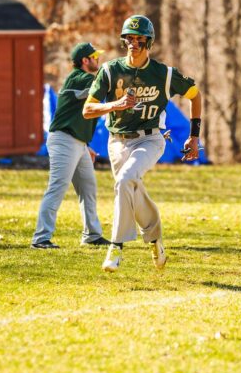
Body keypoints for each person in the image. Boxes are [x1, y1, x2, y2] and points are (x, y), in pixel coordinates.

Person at [83, 15, 202, 272]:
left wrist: (194, 136)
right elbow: (87, 109)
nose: (133, 44)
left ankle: (115, 246)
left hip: (150, 139)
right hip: (117, 142)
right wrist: (115, 105)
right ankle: (156, 238)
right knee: (132, 190)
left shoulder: (164, 74)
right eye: (129, 38)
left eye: (139, 39)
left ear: (150, 42)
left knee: (125, 180)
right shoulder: (111, 70)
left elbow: (195, 95)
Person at [31, 42, 111, 249]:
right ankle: (40, 239)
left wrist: (86, 146)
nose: (98, 59)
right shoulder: (79, 78)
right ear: (85, 61)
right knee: (57, 187)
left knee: (88, 188)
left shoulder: (86, 80)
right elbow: (96, 93)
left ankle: (92, 235)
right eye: (95, 57)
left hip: (77, 143)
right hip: (64, 140)